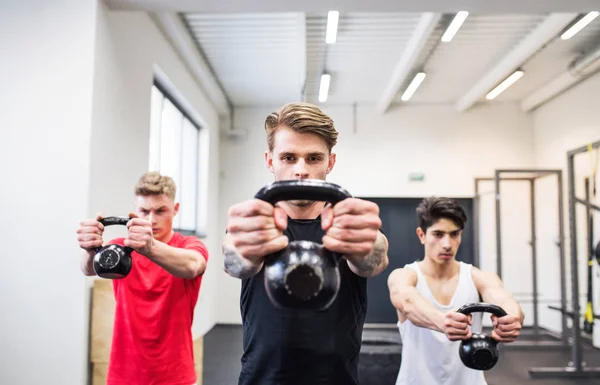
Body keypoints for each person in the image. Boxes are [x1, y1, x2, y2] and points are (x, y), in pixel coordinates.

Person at [222, 102, 390, 385]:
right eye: (288, 157)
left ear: (330, 162)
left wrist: (368, 246)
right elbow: (234, 261)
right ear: (270, 160)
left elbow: (374, 256)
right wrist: (244, 252)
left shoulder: (349, 227)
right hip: (262, 379)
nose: (301, 170)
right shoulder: (255, 227)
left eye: (313, 158)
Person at [76, 171, 209, 385]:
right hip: (124, 374)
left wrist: (150, 247)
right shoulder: (121, 248)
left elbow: (193, 265)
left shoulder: (188, 245)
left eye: (160, 211)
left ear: (175, 210)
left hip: (174, 375)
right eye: (144, 211)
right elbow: (88, 268)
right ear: (135, 210)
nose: (151, 219)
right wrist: (90, 249)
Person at [387, 196, 524, 385]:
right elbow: (406, 301)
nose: (447, 244)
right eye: (438, 234)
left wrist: (511, 318)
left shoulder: (478, 277)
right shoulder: (404, 275)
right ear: (421, 235)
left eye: (454, 234)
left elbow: (503, 299)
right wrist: (442, 321)